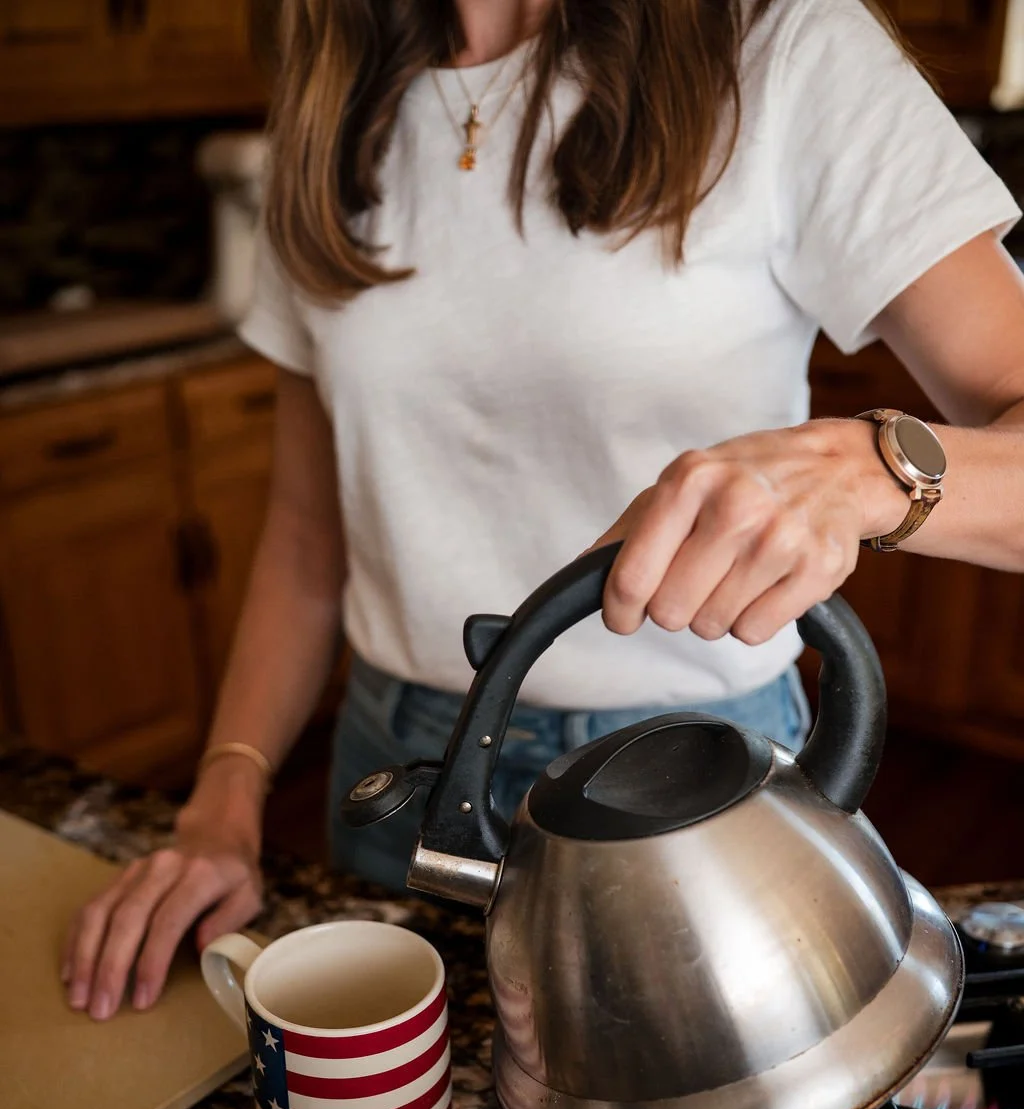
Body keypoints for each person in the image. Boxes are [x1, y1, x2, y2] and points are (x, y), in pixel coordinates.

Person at [63, 0, 1024, 1021]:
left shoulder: (783, 43)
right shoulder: (333, 96)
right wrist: (226, 794)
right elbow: (308, 540)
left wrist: (866, 467)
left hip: (696, 782)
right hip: (401, 775)